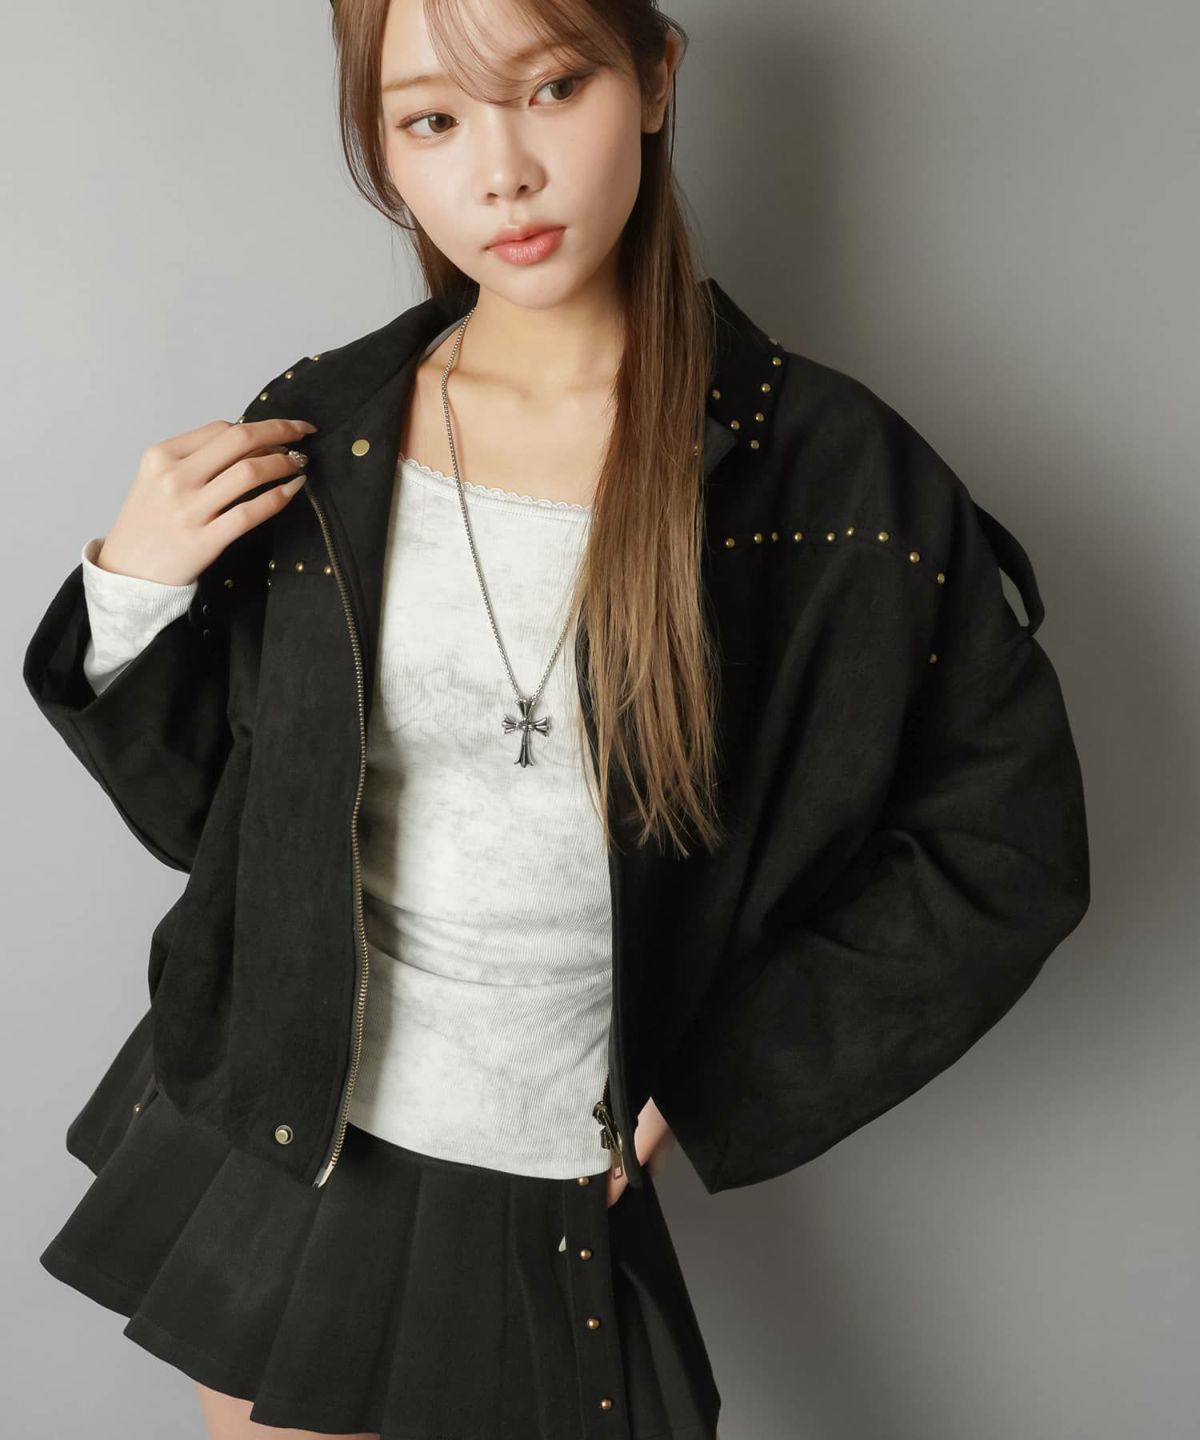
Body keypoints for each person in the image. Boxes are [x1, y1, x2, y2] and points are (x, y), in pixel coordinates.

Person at [21, 0, 1091, 1438]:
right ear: (384, 151)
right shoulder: (327, 427)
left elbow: (1005, 844)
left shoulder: (834, 482)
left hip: (547, 1174)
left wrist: (730, 1079)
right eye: (432, 119)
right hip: (289, 1137)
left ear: (653, 79)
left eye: (552, 89)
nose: (503, 173)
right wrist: (132, 591)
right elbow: (217, 823)